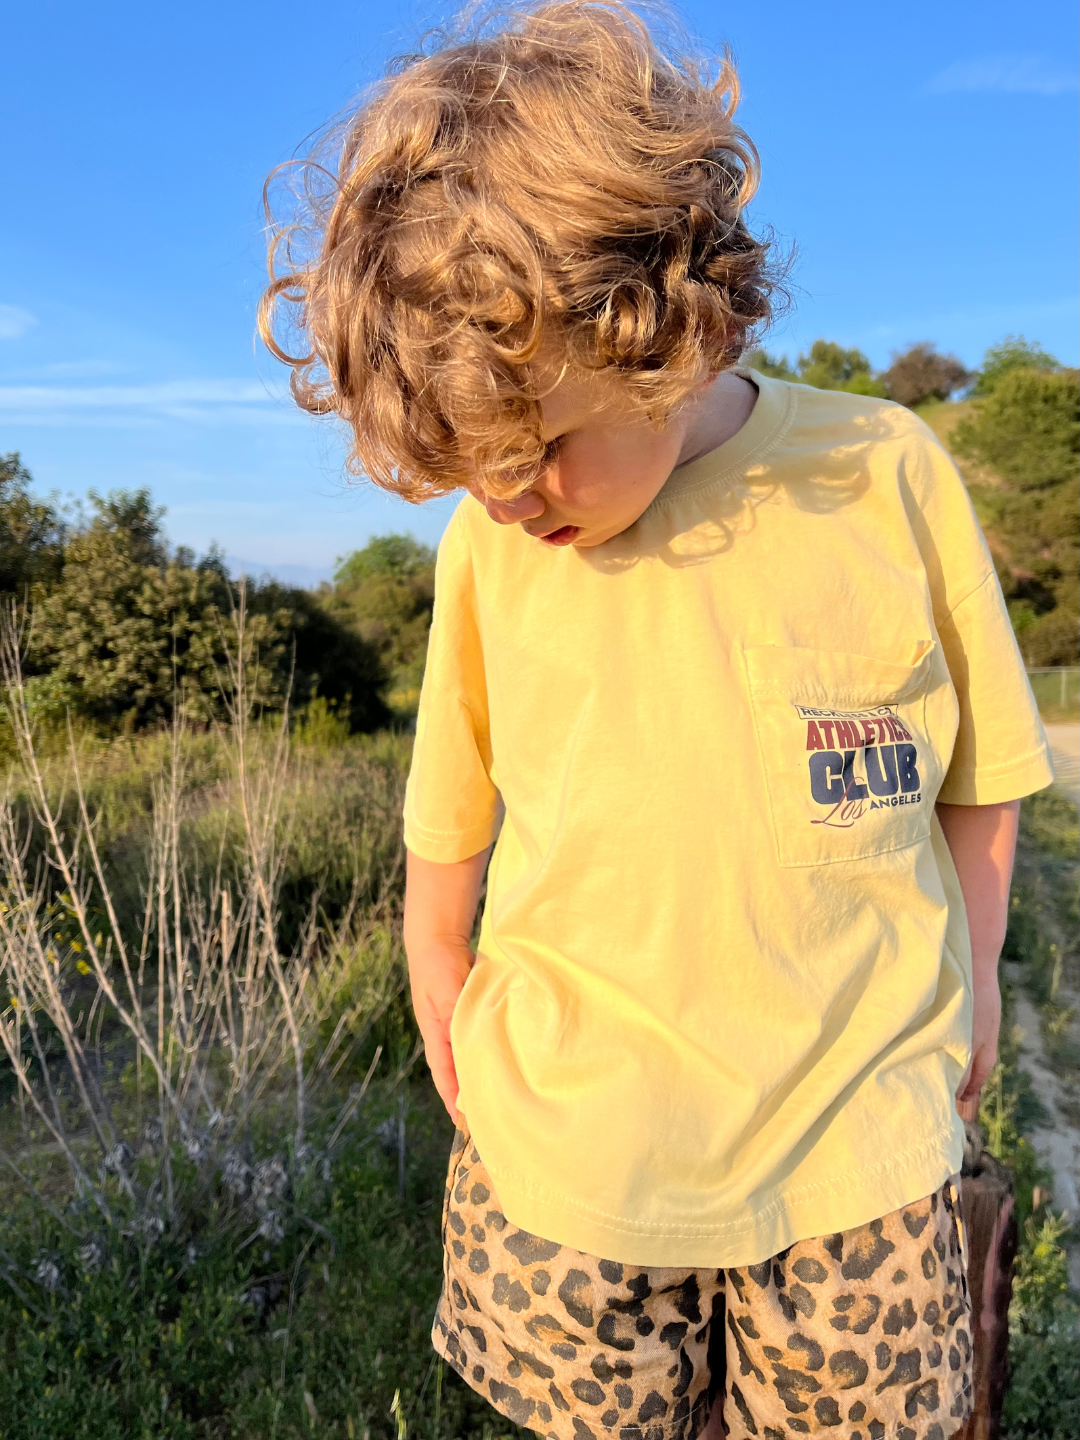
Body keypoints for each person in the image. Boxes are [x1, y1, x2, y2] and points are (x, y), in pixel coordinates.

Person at [259, 5, 1053, 1436]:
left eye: (543, 447)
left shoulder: (883, 473)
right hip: (573, 1168)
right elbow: (451, 813)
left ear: (681, 324)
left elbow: (981, 775)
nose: (506, 498)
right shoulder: (492, 550)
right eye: (471, 469)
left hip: (857, 1161)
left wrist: (983, 979)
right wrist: (438, 973)